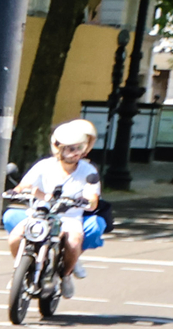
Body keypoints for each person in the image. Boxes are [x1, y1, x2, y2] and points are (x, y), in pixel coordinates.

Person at [7, 117, 103, 297]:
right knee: (15, 238)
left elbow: (92, 197)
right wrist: (16, 191)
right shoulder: (44, 165)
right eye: (70, 148)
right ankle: (19, 270)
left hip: (69, 218)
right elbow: (25, 184)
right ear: (58, 148)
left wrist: (87, 201)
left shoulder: (88, 171)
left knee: (74, 243)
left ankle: (66, 275)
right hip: (39, 214)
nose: (75, 153)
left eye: (79, 148)